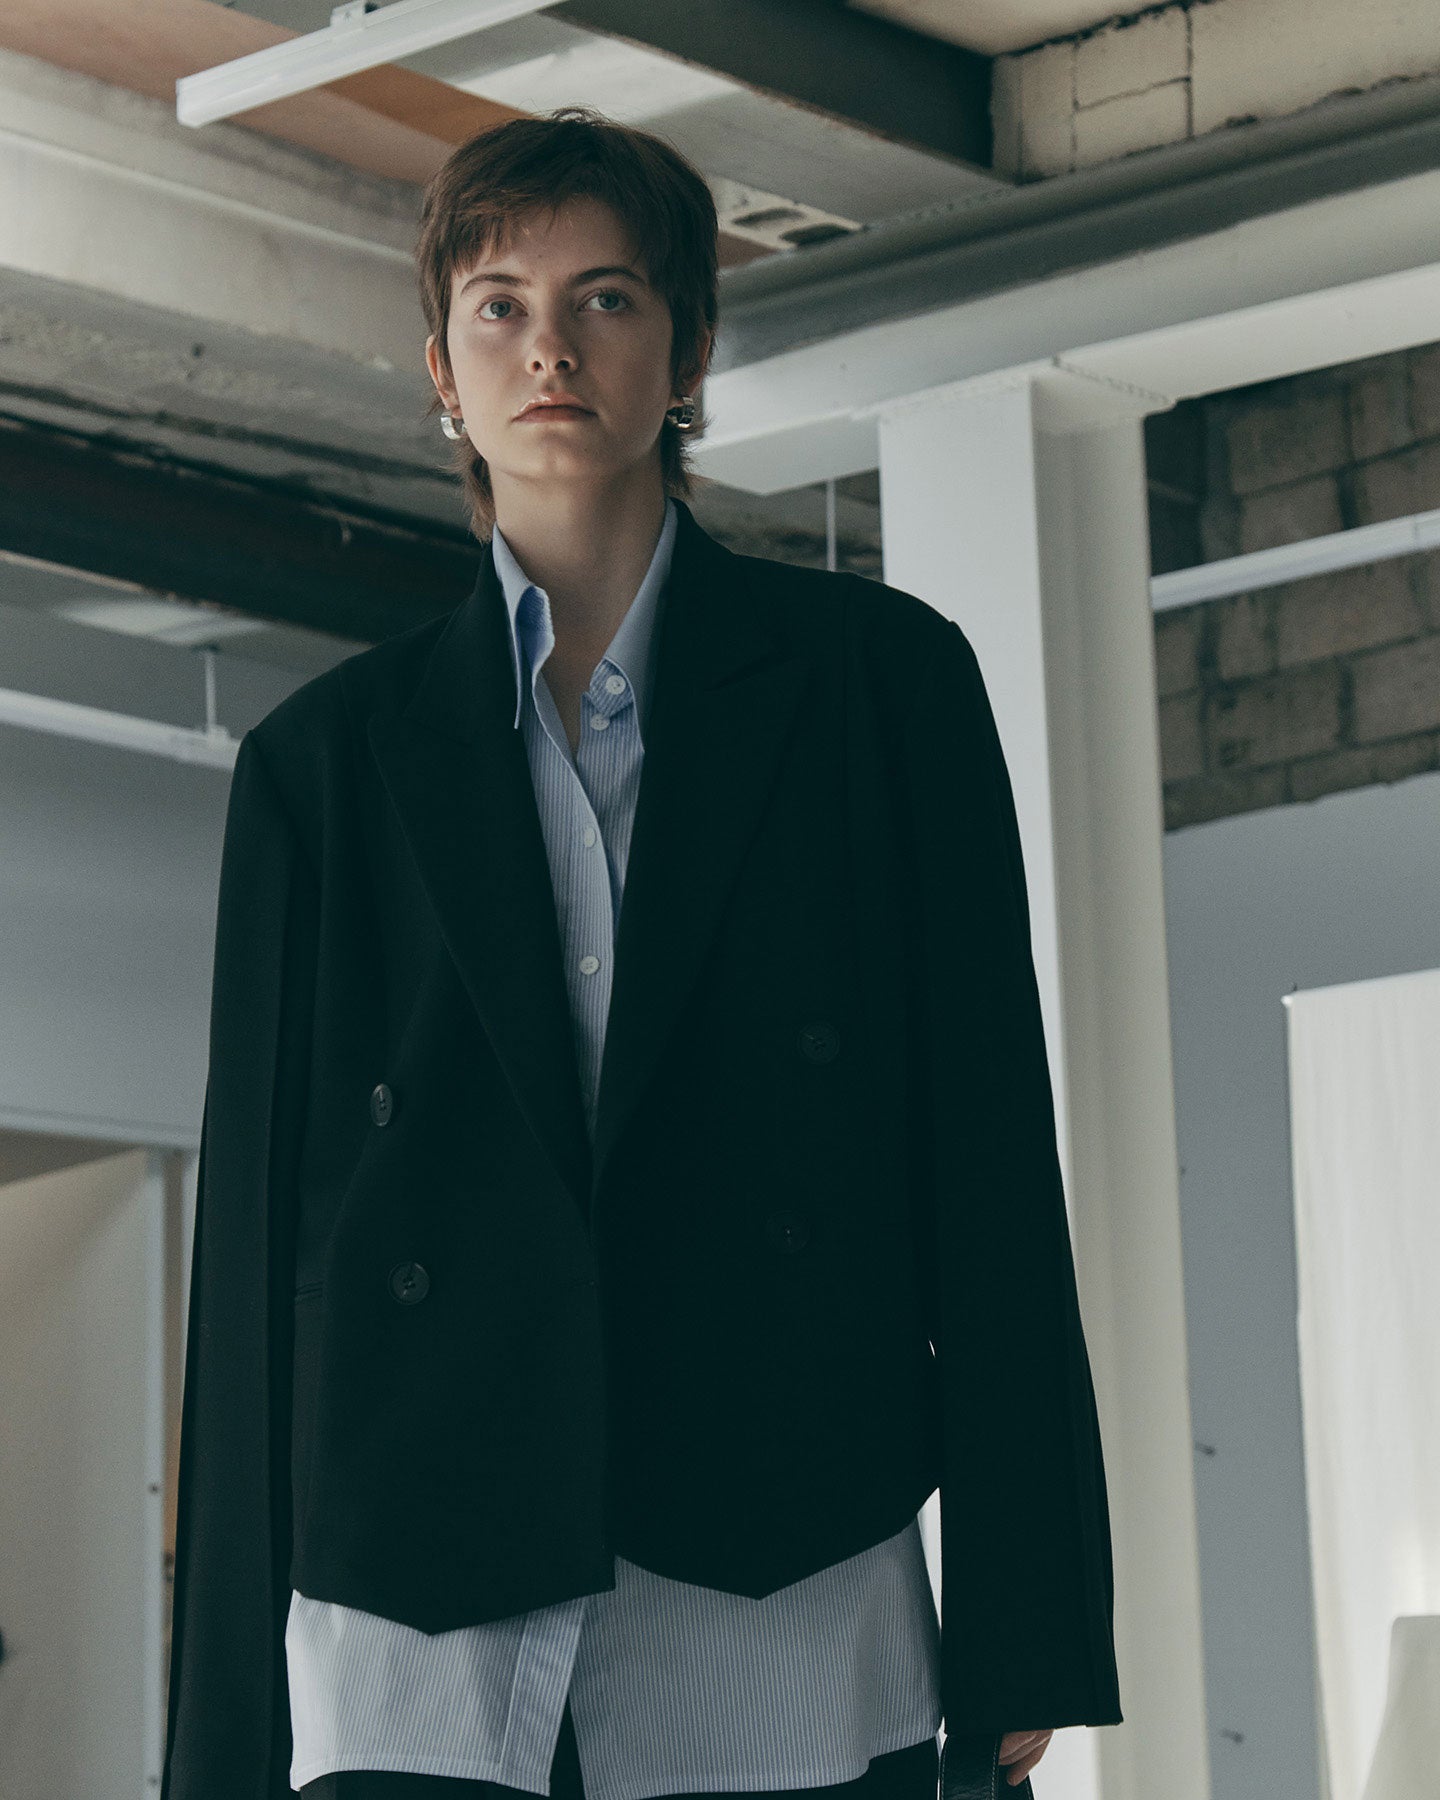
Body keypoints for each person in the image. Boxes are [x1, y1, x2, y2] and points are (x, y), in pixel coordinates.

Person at [160, 106, 1121, 1800]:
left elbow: (984, 1157)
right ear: (443, 372)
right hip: (416, 1587)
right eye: (500, 307)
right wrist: (222, 1739)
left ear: (688, 350)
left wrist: (1026, 1621)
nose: (550, 349)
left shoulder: (882, 687)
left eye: (604, 298)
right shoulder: (323, 763)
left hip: (783, 1544)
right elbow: (254, 1259)